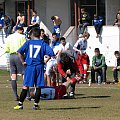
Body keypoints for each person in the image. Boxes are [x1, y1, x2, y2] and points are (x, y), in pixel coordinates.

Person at [14, 27, 54, 110]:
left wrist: (23, 61)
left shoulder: (28, 43)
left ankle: (20, 104)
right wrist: (46, 60)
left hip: (30, 66)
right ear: (40, 35)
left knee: (26, 86)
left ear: (32, 34)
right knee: (38, 86)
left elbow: (19, 52)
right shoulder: (43, 43)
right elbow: (51, 53)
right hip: (39, 66)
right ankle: (35, 105)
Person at [4, 27, 26, 101]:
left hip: (11, 56)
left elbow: (6, 49)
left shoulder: (9, 37)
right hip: (19, 56)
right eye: (22, 31)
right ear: (20, 30)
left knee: (13, 76)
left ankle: (15, 95)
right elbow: (24, 47)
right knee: (24, 74)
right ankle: (27, 95)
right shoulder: (22, 37)